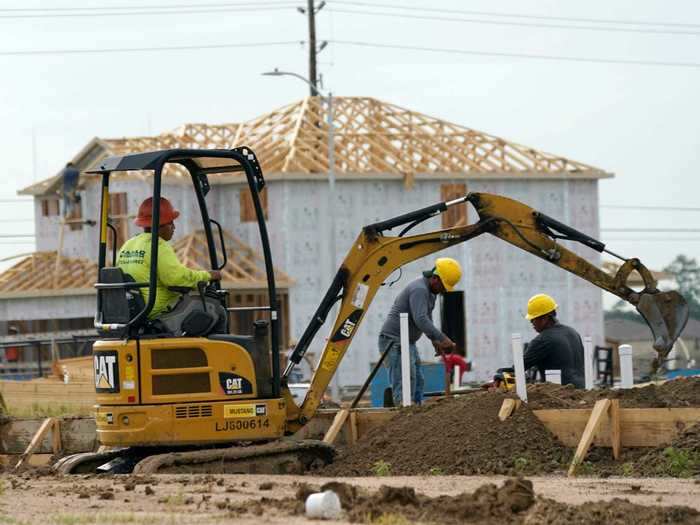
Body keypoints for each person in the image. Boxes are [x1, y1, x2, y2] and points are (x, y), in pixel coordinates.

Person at [117, 197, 227, 335]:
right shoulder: (158, 245)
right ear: (160, 225)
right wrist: (207, 275)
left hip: (134, 313)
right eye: (171, 223)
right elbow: (176, 278)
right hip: (157, 314)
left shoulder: (128, 245)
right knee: (216, 310)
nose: (174, 227)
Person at [378, 257, 462, 406]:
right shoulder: (420, 289)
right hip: (393, 340)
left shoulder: (431, 292)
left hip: (407, 341)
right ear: (435, 279)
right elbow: (421, 319)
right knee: (404, 379)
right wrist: (443, 338)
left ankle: (415, 411)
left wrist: (434, 340)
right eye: (443, 286)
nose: (443, 290)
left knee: (417, 378)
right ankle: (404, 410)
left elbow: (427, 317)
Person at [522, 293, 585, 388]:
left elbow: (519, 368)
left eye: (533, 319)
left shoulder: (543, 339)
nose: (531, 322)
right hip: (582, 391)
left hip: (559, 396)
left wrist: (500, 374)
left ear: (544, 318)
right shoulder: (573, 333)